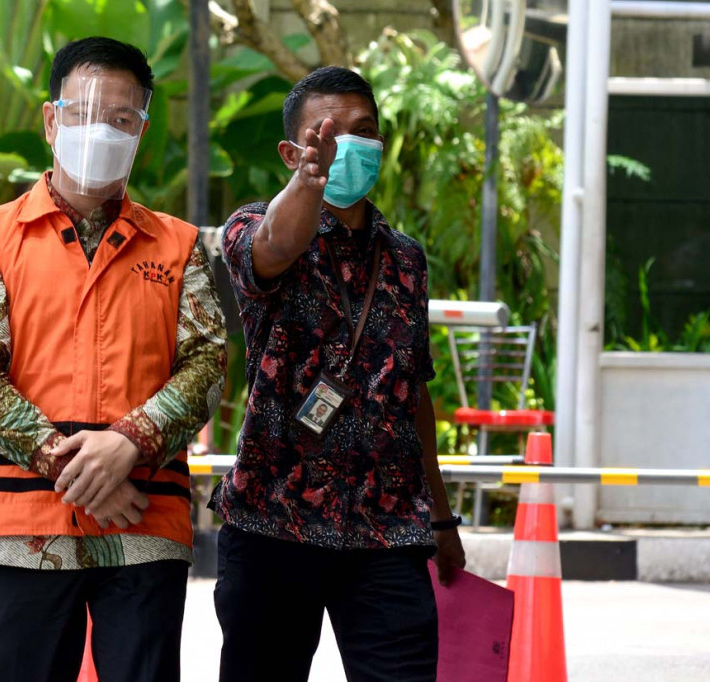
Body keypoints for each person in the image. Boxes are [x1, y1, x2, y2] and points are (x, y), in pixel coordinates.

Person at [0, 36, 227, 682]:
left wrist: (128, 443)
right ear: (51, 121)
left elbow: (207, 365)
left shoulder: (179, 247)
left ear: (141, 132)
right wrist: (77, 469)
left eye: (121, 118)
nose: (101, 131)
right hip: (23, 524)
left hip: (144, 520)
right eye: (83, 113)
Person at [213, 66, 466, 682]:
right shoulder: (252, 227)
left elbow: (414, 391)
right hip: (275, 523)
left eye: (364, 131)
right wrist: (309, 182)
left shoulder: (405, 258)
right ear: (290, 152)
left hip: (387, 530)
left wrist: (440, 517)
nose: (346, 145)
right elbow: (275, 247)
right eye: (326, 135)